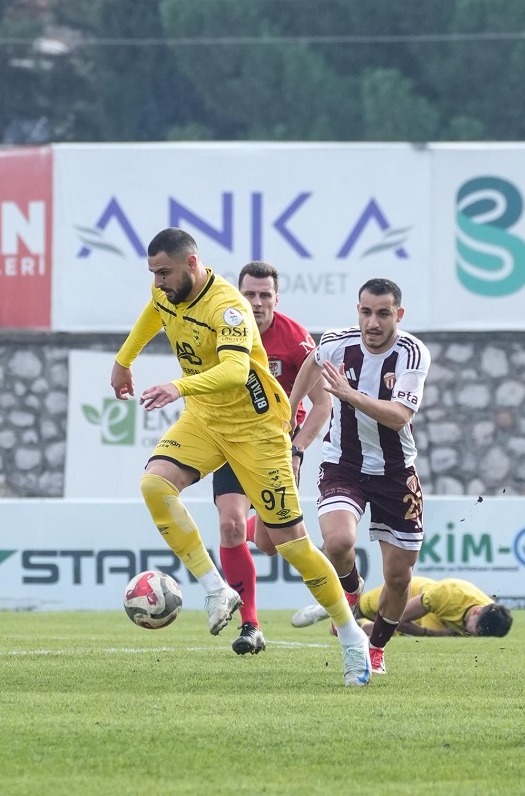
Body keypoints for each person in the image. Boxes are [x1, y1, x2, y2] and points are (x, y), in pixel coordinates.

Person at [110, 227, 371, 687]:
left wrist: (177, 386)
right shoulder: (167, 292)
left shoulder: (227, 307)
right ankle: (216, 590)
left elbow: (233, 372)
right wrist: (124, 359)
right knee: (154, 484)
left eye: (165, 272)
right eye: (152, 272)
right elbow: (156, 312)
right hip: (206, 420)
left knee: (291, 545)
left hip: (257, 431)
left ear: (193, 264)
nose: (158, 281)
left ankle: (352, 639)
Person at [287, 277, 431, 675]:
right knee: (337, 541)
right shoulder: (337, 342)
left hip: (395, 472)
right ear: (358, 311)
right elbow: (312, 363)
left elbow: (400, 415)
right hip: (343, 462)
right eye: (366, 312)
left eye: (383, 314)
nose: (373, 322)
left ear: (398, 315)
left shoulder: (412, 354)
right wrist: (293, 403)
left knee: (399, 578)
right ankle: (350, 592)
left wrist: (348, 395)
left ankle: (378, 647)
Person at [213, 261, 331, 656]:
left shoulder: (296, 339)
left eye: (265, 295)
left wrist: (297, 449)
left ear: (276, 299)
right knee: (228, 525)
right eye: (250, 294)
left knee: (267, 544)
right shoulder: (221, 331)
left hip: (277, 451)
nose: (257, 302)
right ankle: (250, 625)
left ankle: (252, 528)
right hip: (231, 440)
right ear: (238, 295)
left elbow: (322, 405)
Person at [291, 575, 513, 641]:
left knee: (357, 630)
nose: (469, 633)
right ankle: (327, 608)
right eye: (470, 628)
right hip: (412, 593)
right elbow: (396, 618)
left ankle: (348, 626)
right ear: (475, 611)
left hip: (439, 619)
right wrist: (431, 633)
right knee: (369, 612)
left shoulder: (487, 618)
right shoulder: (448, 594)